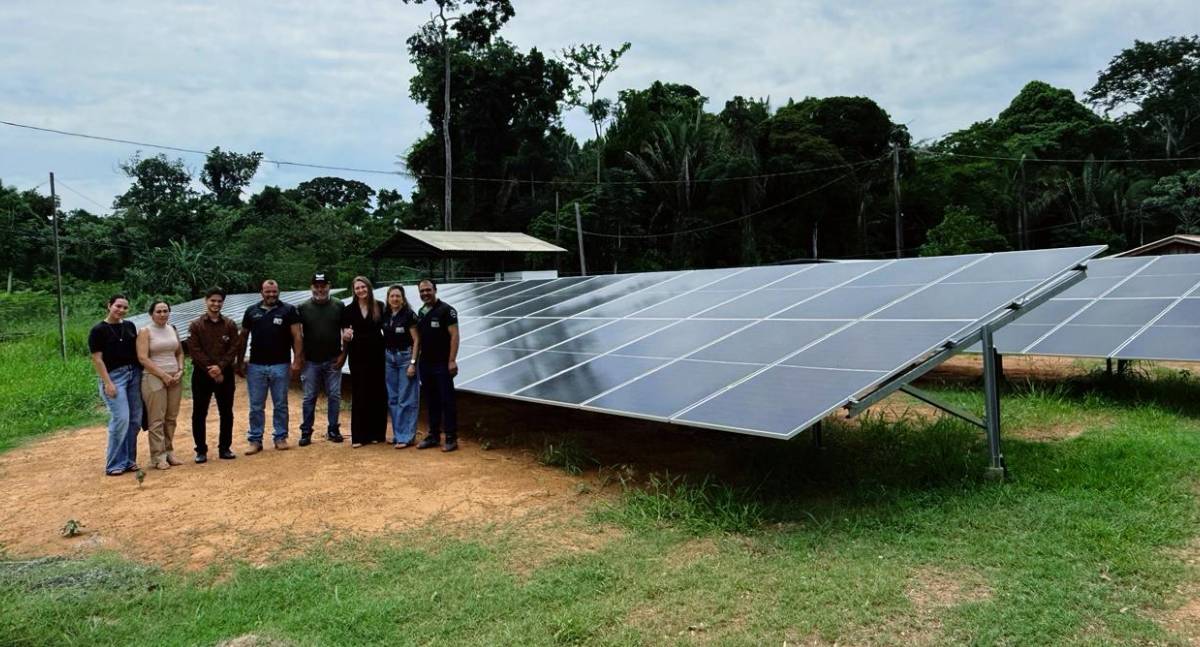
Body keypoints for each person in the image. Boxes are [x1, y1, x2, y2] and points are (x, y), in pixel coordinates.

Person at [236, 279, 303, 454]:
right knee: (256, 405)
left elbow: (297, 336)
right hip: (256, 365)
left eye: (274, 291)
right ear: (262, 292)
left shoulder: (289, 310)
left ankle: (280, 437)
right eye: (268, 291)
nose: (271, 294)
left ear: (278, 292)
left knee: (280, 404)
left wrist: (297, 360)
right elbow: (243, 337)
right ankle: (255, 440)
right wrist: (239, 360)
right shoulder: (251, 312)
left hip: (280, 364)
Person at [89, 294, 143, 476]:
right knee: (121, 418)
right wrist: (107, 383)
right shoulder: (98, 330)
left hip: (133, 374)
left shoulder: (129, 326)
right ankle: (114, 463)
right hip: (114, 377)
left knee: (135, 419)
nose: (121, 310)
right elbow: (97, 359)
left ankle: (129, 460)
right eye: (118, 306)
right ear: (109, 305)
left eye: (125, 308)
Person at [187, 287, 240, 463]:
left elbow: (234, 348)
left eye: (219, 301)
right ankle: (200, 450)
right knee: (199, 413)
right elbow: (194, 350)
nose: (216, 304)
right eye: (213, 300)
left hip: (225, 375)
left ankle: (225, 448)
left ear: (222, 303)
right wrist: (211, 368)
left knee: (226, 412)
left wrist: (221, 367)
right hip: (202, 375)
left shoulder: (230, 325)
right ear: (206, 301)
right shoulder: (196, 325)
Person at [297, 272, 346, 446]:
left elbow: (346, 332)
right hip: (310, 360)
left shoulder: (339, 306)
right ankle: (306, 432)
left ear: (329, 286)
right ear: (312, 287)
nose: (320, 289)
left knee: (334, 395)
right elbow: (296, 334)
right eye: (316, 286)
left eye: (323, 286)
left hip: (333, 359)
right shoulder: (302, 308)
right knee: (309, 397)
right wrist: (299, 356)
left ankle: (333, 429)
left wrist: (343, 355)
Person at [137, 300, 185, 470]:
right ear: (151, 314)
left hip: (174, 378)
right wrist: (163, 375)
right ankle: (158, 456)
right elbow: (143, 358)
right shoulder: (145, 331)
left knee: (171, 417)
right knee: (156, 419)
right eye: (159, 311)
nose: (163, 314)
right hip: (153, 378)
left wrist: (180, 369)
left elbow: (179, 352)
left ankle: (169, 450)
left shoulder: (172, 329)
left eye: (165, 311)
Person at [340, 275, 388, 447]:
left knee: (377, 392)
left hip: (377, 354)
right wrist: (344, 335)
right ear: (353, 290)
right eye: (357, 288)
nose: (360, 290)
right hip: (357, 355)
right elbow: (345, 332)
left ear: (369, 287)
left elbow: (387, 328)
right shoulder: (348, 310)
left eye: (363, 287)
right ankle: (359, 436)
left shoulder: (380, 306)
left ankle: (377, 433)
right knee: (360, 393)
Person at [415, 278, 460, 452]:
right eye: (422, 291)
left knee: (447, 400)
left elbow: (455, 336)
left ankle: (450, 437)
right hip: (425, 363)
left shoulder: (447, 311)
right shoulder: (422, 311)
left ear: (435, 290)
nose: (425, 293)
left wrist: (452, 360)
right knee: (431, 400)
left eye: (428, 290)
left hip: (442, 364)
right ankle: (433, 435)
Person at [382, 284, 421, 448]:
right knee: (393, 398)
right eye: (392, 296)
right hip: (389, 358)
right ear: (388, 298)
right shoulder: (386, 315)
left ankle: (406, 436)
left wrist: (413, 363)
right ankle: (399, 434)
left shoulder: (409, 315)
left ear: (403, 299)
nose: (395, 299)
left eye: (398, 296)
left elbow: (417, 340)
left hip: (405, 357)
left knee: (407, 398)